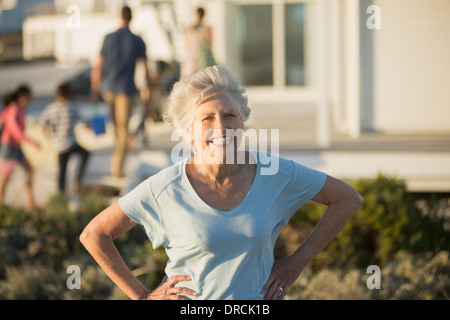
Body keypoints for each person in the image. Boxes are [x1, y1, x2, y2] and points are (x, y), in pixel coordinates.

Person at [80, 66, 364, 300]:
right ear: (188, 132)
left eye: (229, 115)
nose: (221, 127)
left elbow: (348, 199)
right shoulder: (166, 187)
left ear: (242, 123)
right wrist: (143, 297)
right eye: (207, 119)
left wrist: (298, 261)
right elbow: (94, 235)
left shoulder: (274, 171)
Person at [91, 5, 151, 178]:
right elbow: (145, 68)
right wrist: (148, 91)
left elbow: (98, 66)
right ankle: (117, 169)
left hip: (107, 88)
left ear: (120, 17)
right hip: (126, 89)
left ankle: (117, 161)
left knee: (117, 129)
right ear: (131, 18)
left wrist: (95, 89)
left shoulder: (108, 37)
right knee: (123, 129)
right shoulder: (137, 40)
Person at [39, 83, 90, 196]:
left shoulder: (50, 108)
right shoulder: (72, 107)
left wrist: (50, 139)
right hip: (71, 143)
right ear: (70, 94)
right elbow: (83, 123)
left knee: (62, 171)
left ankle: (61, 193)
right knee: (85, 153)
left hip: (58, 145)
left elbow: (42, 126)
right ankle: (78, 179)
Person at [0, 85, 39, 211]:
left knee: (30, 171)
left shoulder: (21, 109)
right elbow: (14, 128)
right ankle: (1, 205)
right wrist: (29, 141)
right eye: (29, 97)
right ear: (22, 96)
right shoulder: (14, 108)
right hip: (9, 147)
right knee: (6, 178)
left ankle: (30, 204)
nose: (30, 100)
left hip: (16, 146)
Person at [181, 7, 215, 77]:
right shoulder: (191, 29)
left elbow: (210, 45)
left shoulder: (205, 29)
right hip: (193, 59)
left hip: (201, 59)